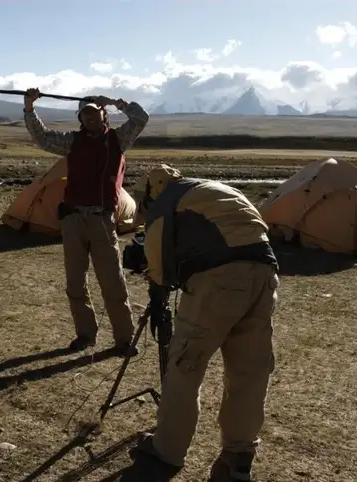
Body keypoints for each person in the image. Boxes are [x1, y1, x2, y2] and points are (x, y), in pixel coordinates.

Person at [130, 164, 280, 482]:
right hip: (265, 273)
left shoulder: (166, 203)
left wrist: (157, 296)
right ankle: (238, 457)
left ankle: (167, 450)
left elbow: (158, 272)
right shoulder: (212, 189)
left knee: (186, 364)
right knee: (249, 372)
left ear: (150, 193)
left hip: (219, 281)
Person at [23, 88, 149, 357]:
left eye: (94, 113)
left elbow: (141, 118)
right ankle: (85, 335)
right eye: (84, 114)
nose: (90, 118)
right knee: (75, 283)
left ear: (104, 115)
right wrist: (30, 108)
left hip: (101, 220)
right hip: (73, 219)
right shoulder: (72, 141)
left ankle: (124, 340)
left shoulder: (118, 140)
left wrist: (118, 103)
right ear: (80, 118)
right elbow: (43, 138)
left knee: (113, 282)